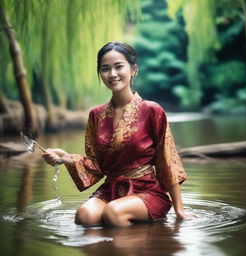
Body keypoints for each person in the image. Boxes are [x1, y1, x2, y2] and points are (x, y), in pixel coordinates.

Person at [42, 41, 190, 227]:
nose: (112, 74)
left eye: (119, 67)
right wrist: (65, 158)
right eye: (105, 69)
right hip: (111, 188)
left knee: (113, 212)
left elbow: (167, 160)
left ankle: (142, 246)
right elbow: (96, 165)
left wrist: (179, 210)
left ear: (133, 69)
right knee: (84, 216)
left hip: (148, 191)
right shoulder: (96, 115)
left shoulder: (152, 110)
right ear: (100, 73)